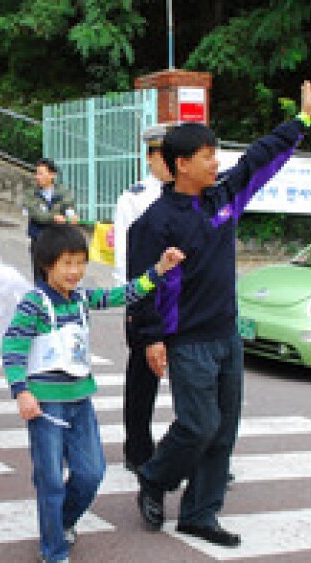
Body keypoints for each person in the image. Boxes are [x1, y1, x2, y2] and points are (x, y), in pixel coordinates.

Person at [128, 81, 311, 547]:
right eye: (208, 156)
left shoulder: (224, 198)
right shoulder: (154, 223)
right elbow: (141, 288)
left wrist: (302, 122)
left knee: (223, 431)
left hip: (225, 335)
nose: (217, 163)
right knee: (199, 424)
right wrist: (151, 338)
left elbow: (260, 157)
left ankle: (200, 513)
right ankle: (154, 477)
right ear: (181, 165)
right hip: (187, 339)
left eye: (216, 155)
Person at [1, 224, 183, 563]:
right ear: (46, 264)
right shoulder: (34, 304)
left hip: (81, 402)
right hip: (47, 407)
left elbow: (122, 295)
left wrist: (158, 270)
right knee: (51, 480)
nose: (75, 272)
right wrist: (21, 391)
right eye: (66, 263)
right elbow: (12, 347)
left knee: (91, 473)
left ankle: (62, 521)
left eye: (80, 263)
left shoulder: (83, 297)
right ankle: (54, 551)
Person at [114, 125, 170, 472]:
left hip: (183, 303)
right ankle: (137, 450)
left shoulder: (192, 194)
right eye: (161, 156)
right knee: (142, 379)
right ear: (149, 157)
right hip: (146, 301)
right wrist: (133, 303)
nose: (168, 164)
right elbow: (124, 257)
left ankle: (196, 453)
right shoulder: (133, 198)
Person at [24, 158, 79, 279]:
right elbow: (36, 214)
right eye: (37, 173)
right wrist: (54, 218)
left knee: (57, 277)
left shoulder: (63, 192)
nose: (37, 177)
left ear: (52, 175)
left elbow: (69, 207)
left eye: (41, 173)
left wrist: (72, 217)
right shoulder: (31, 193)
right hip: (38, 241)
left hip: (58, 242)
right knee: (40, 278)